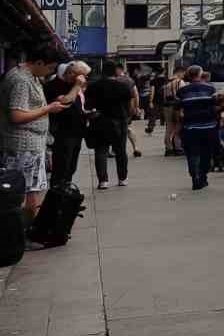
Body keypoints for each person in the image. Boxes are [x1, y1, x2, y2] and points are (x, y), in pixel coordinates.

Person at [2, 43, 70, 223]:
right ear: (39, 62)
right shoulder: (21, 81)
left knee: (30, 191)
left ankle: (22, 232)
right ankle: (21, 234)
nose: (50, 72)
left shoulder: (30, 77)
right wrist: (48, 108)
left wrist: (49, 106)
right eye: (50, 68)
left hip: (30, 145)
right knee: (26, 193)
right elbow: (16, 115)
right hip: (24, 147)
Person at [86, 60, 138, 189]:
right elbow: (131, 105)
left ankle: (103, 181)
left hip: (99, 121)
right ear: (115, 71)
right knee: (120, 151)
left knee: (101, 151)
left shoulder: (93, 86)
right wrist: (128, 116)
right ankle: (122, 178)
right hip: (119, 121)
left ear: (102, 71)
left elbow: (87, 105)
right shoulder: (123, 86)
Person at [45, 62, 91, 189]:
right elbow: (65, 102)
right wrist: (77, 86)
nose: (83, 79)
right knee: (62, 167)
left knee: (71, 166)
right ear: (71, 74)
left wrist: (86, 113)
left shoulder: (72, 85)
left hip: (76, 132)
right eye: (82, 76)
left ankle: (66, 191)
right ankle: (58, 194)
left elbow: (77, 105)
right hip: (63, 132)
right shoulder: (55, 85)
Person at [173, 66, 220, 190]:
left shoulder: (182, 91)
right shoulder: (210, 88)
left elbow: (176, 108)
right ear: (200, 74)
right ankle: (203, 177)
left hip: (190, 128)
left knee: (192, 154)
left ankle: (195, 177)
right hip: (209, 127)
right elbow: (216, 105)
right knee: (206, 153)